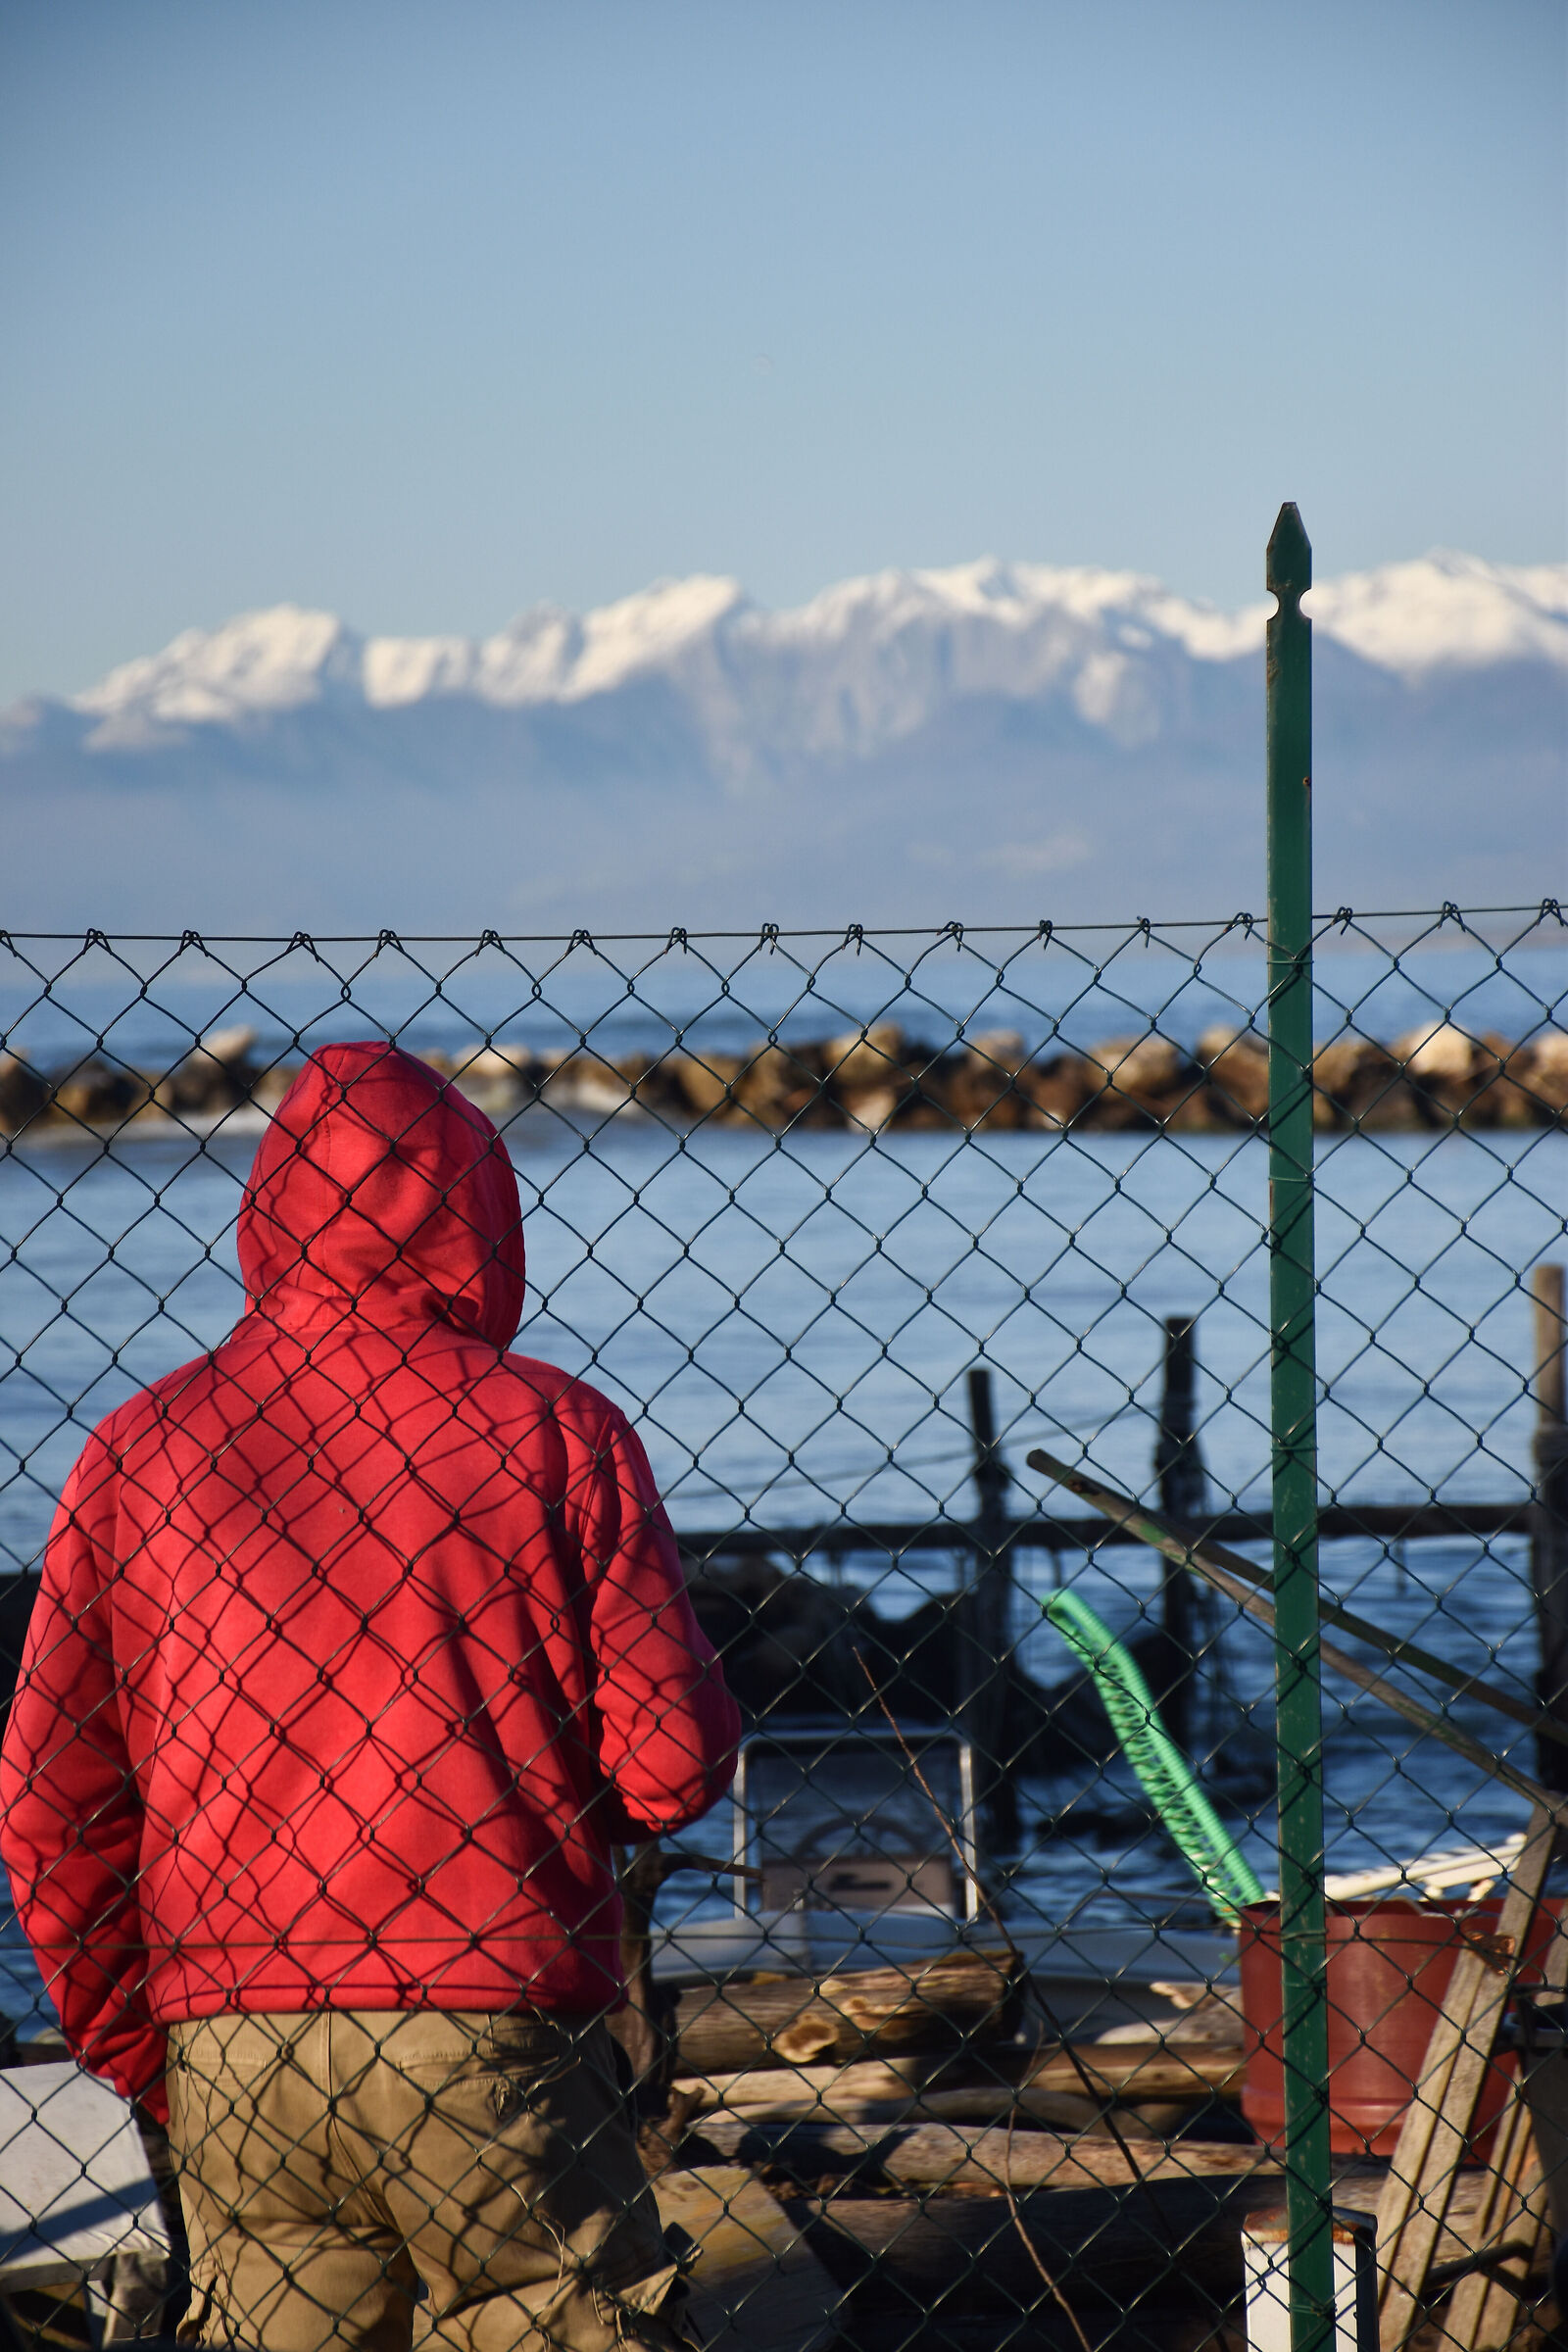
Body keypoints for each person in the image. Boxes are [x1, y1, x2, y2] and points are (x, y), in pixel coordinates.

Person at [0, 1041, 740, 2352]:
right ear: (480, 1215)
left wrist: (140, 2042)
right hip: (490, 2012)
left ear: (270, 1213)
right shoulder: (557, 1430)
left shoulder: (144, 1447)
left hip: (235, 2032)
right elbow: (672, 1764)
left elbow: (54, 1800)